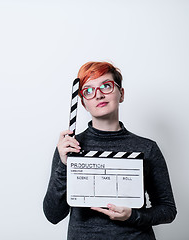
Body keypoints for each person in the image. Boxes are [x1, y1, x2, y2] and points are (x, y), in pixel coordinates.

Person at [43, 61, 177, 239]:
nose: (98, 95)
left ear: (121, 94)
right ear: (83, 103)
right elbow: (53, 215)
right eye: (89, 91)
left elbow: (167, 210)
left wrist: (133, 216)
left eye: (106, 86)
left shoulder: (147, 148)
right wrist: (63, 165)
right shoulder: (69, 147)